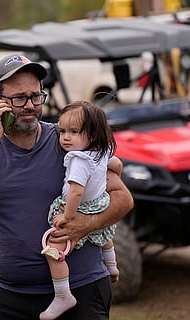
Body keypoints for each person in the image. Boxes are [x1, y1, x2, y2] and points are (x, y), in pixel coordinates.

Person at [0, 54, 133, 320]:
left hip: (81, 287)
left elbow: (124, 198)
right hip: (8, 291)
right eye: (19, 98)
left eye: (35, 96)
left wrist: (85, 225)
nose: (30, 105)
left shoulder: (67, 141)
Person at [39, 101, 122, 320]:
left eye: (74, 132)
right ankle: (112, 265)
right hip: (100, 203)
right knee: (103, 233)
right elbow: (118, 164)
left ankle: (63, 294)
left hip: (78, 207)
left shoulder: (79, 159)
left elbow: (75, 192)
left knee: (53, 247)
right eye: (62, 130)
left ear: (93, 135)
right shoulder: (101, 152)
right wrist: (106, 181)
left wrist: (67, 216)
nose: (65, 137)